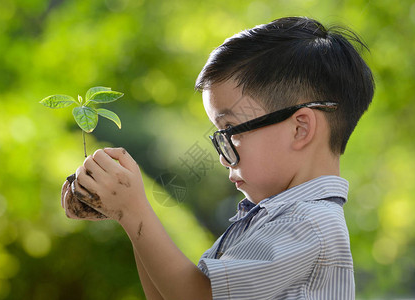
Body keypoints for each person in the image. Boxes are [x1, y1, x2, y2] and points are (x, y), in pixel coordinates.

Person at [61, 16, 374, 299]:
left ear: (299, 129)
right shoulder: (268, 217)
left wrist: (135, 211)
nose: (224, 158)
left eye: (231, 131)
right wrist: (126, 214)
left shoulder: (307, 224)